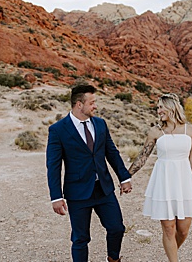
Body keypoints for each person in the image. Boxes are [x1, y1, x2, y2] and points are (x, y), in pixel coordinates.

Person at [46, 84, 133, 262]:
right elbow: (53, 166)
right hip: (78, 193)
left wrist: (124, 177)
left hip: (104, 189)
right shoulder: (58, 130)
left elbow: (112, 152)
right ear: (79, 104)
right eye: (91, 103)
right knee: (80, 238)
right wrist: (56, 197)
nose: (95, 106)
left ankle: (114, 259)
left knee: (117, 228)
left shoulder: (100, 124)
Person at [128, 94, 192, 262]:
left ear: (171, 107)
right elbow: (143, 157)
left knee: (183, 230)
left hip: (185, 182)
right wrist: (126, 176)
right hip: (163, 183)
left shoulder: (190, 130)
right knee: (169, 229)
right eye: (157, 108)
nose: (158, 111)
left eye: (161, 107)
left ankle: (172, 253)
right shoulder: (155, 131)